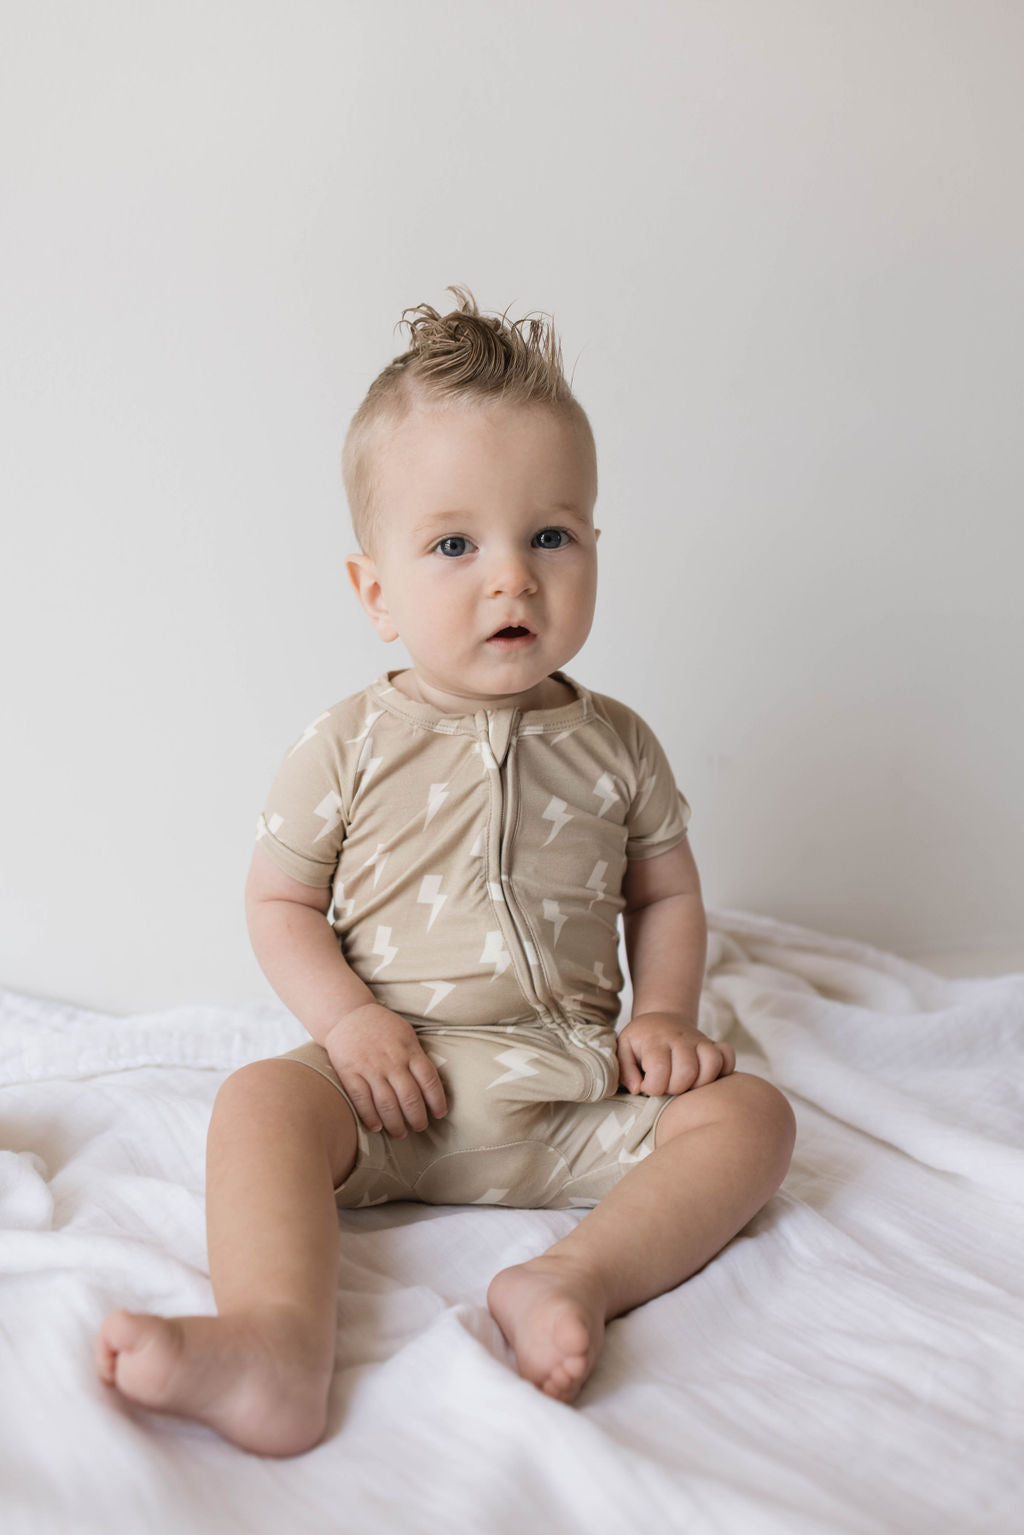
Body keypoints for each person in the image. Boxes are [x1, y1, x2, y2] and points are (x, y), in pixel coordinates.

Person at [96, 287, 796, 1456]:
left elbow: (664, 889)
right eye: (455, 544)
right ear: (376, 591)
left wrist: (665, 1012)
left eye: (550, 535)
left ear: (592, 548)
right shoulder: (349, 743)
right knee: (259, 1101)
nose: (510, 578)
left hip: (572, 1093)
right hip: (392, 1092)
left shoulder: (617, 743)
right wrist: (351, 1024)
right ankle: (273, 1341)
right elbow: (279, 901)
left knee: (753, 1118)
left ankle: (570, 1277)